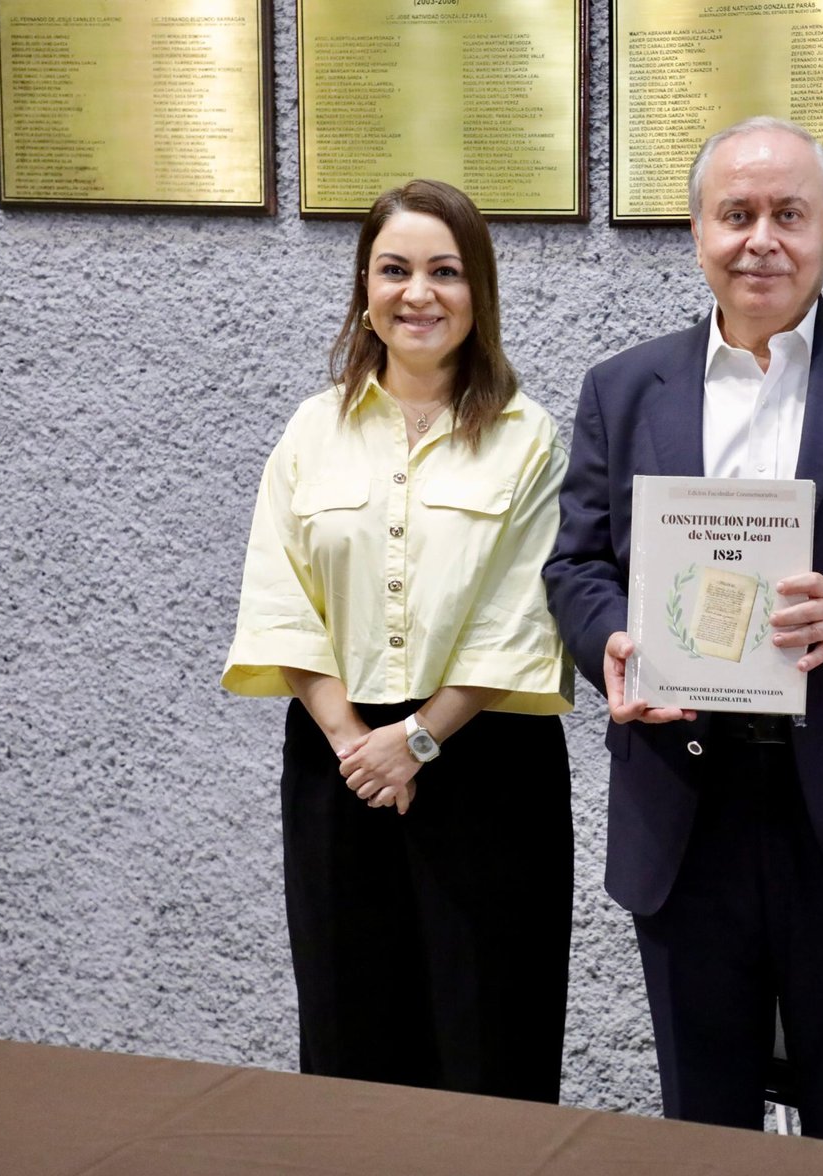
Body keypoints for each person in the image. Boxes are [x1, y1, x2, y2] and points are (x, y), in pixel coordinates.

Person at [544, 116, 823, 1146]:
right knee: (701, 1128)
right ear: (697, 232)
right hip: (684, 807)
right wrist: (611, 639)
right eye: (736, 214)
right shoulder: (625, 387)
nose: (761, 239)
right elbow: (576, 564)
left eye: (788, 214)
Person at [222, 179, 574, 1101]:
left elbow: (520, 613)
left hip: (487, 763)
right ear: (365, 287)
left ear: (478, 290)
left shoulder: (527, 436)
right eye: (395, 270)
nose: (419, 294)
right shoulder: (312, 431)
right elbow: (282, 598)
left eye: (445, 272)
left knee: (491, 1034)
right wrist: (357, 745)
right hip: (340, 768)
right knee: (349, 1030)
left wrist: (414, 741)